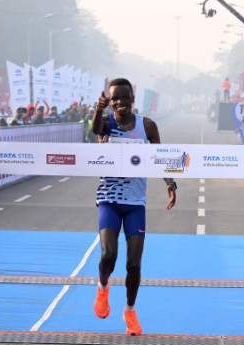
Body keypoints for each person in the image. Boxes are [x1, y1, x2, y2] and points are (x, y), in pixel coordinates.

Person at [91, 78, 176, 336]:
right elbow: (94, 130)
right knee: (108, 256)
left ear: (132, 100)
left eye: (124, 98)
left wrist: (170, 182)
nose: (119, 103)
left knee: (134, 265)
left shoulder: (147, 126)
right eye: (114, 99)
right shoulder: (106, 122)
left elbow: (160, 157)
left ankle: (129, 310)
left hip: (135, 202)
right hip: (109, 199)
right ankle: (103, 288)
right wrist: (99, 109)